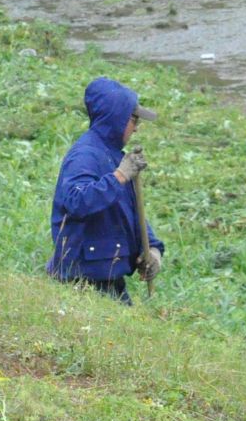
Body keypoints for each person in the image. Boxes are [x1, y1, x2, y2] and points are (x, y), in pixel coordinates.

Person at [46, 77, 163, 304]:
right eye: (134, 119)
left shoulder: (115, 156)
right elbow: (76, 201)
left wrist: (153, 249)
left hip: (109, 280)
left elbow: (130, 210)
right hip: (81, 283)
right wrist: (119, 177)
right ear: (116, 117)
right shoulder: (85, 155)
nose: (136, 128)